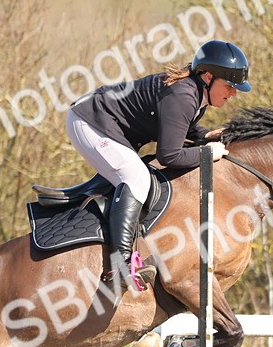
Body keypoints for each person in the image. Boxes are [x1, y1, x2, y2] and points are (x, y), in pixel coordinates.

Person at [66, 39, 251, 290]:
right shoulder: (184, 95)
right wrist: (207, 153)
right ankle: (119, 265)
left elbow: (184, 126)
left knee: (137, 174)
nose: (233, 93)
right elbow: (169, 156)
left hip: (103, 123)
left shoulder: (194, 95)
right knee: (135, 177)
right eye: (229, 85)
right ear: (208, 76)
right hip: (90, 122)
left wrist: (206, 136)